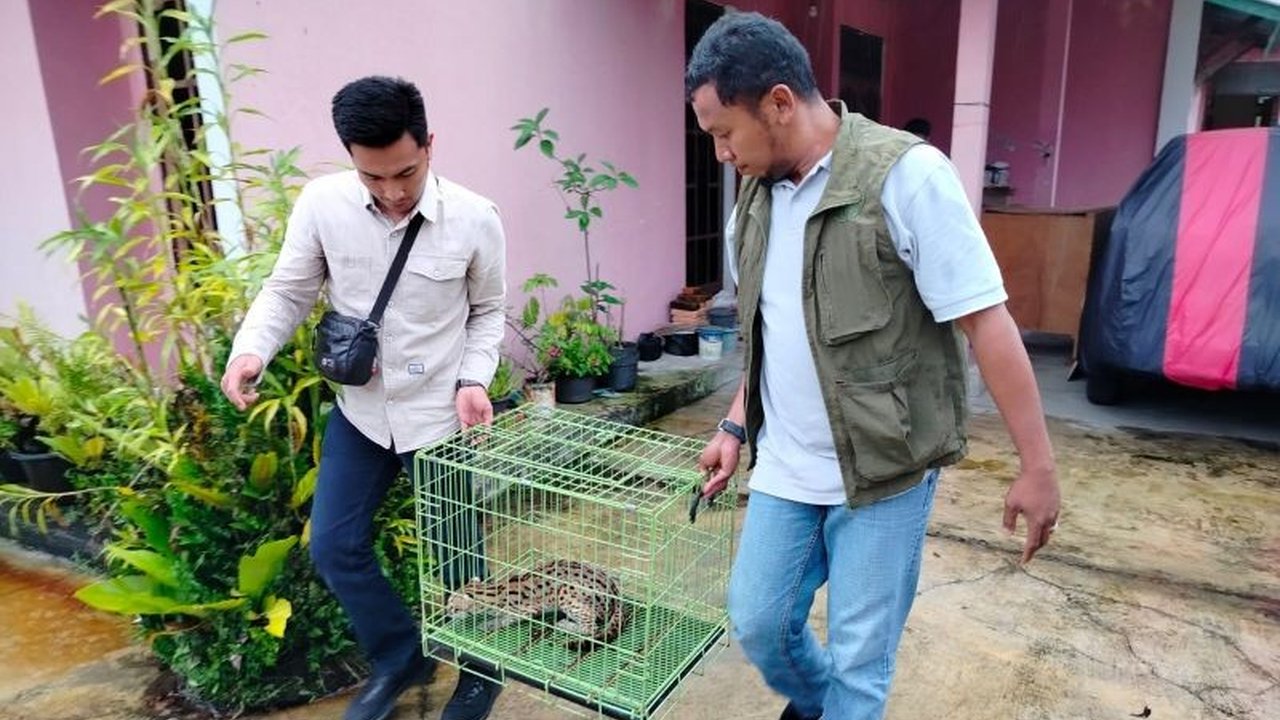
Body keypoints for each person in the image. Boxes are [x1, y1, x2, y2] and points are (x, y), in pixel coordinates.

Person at [687, 13, 1060, 720]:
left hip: (887, 473)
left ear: (778, 103)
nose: (721, 154)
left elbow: (987, 321)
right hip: (789, 469)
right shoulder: (756, 203)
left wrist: (1037, 465)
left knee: (862, 666)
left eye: (723, 133)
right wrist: (734, 427)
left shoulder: (908, 176)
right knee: (760, 623)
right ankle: (820, 706)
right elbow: (774, 335)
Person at [220, 76, 505, 720]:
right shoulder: (322, 204)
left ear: (429, 144)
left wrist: (474, 380)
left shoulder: (475, 218)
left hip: (440, 415)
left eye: (405, 171)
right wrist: (250, 351)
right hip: (363, 412)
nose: (394, 192)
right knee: (333, 545)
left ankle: (483, 673)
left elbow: (488, 312)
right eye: (374, 178)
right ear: (350, 156)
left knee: (457, 555)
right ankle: (401, 654)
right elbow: (288, 290)